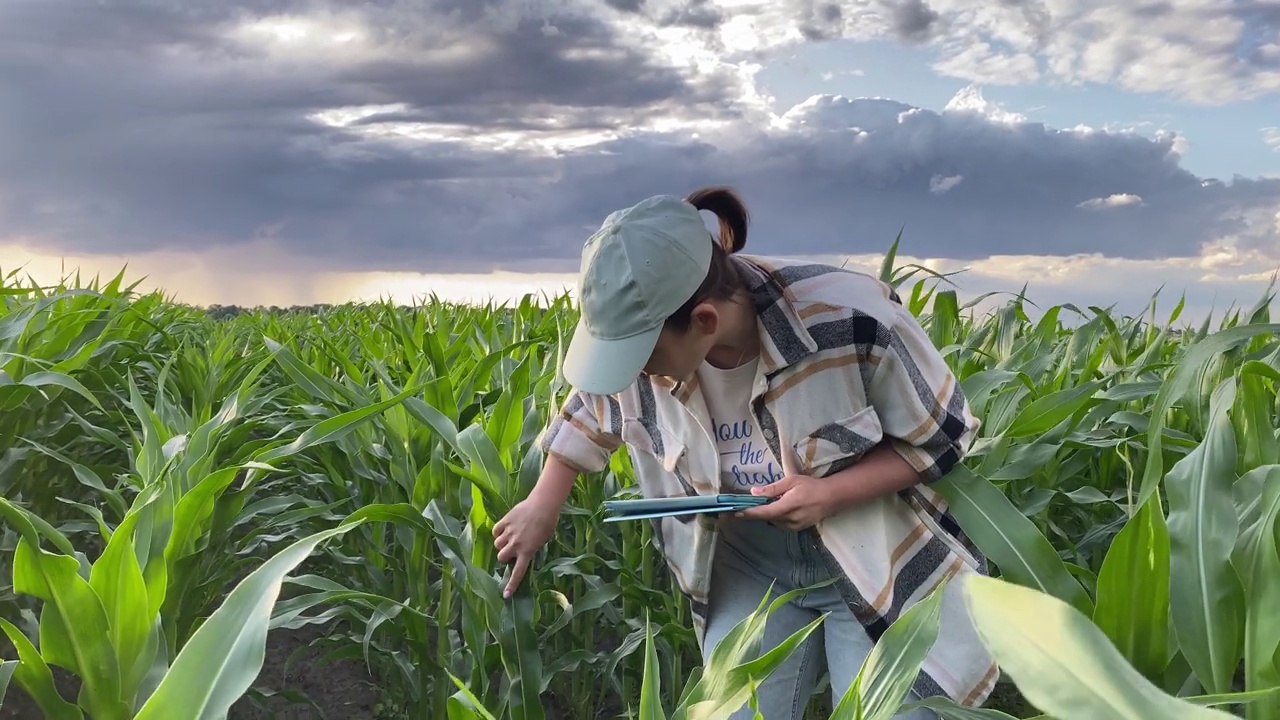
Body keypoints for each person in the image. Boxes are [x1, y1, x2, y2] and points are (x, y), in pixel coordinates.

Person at [492, 187, 998, 719]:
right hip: (747, 562)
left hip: (876, 551)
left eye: (642, 359)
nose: (635, 376)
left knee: (885, 710)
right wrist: (542, 502)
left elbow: (944, 437)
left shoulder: (849, 319)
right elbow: (590, 406)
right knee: (734, 710)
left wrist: (828, 493)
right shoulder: (645, 331)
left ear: (705, 321)